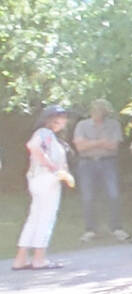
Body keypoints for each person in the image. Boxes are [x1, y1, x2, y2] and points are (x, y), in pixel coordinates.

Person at [16, 104, 74, 272]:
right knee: (46, 217)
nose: (64, 121)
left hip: (37, 179)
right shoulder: (44, 133)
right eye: (62, 118)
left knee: (34, 217)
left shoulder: (48, 135)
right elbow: (33, 147)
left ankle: (21, 259)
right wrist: (54, 169)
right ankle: (39, 259)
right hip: (47, 179)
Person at [73, 98, 123, 243]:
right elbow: (80, 147)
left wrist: (89, 143)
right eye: (96, 109)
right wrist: (101, 142)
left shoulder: (114, 125)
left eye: (102, 110)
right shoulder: (82, 125)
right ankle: (90, 230)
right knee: (88, 196)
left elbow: (113, 146)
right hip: (86, 163)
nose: (98, 113)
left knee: (113, 194)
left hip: (108, 162)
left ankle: (116, 228)